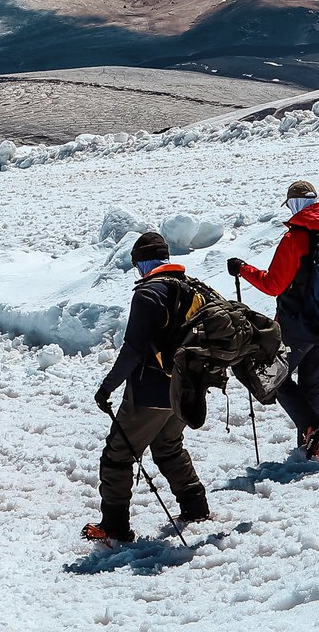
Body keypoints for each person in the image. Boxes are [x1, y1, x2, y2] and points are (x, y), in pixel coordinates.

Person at [84, 232, 211, 545]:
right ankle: (195, 506)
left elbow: (133, 349)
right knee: (168, 446)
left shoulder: (148, 293)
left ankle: (114, 527)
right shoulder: (195, 289)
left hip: (150, 392)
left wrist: (107, 387)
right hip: (188, 388)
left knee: (117, 454)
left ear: (140, 263)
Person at [229, 179, 319, 459]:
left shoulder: (295, 238)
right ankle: (311, 446)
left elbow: (273, 285)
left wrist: (243, 269)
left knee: (271, 374)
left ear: (294, 204)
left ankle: (311, 429)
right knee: (313, 383)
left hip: (297, 325)